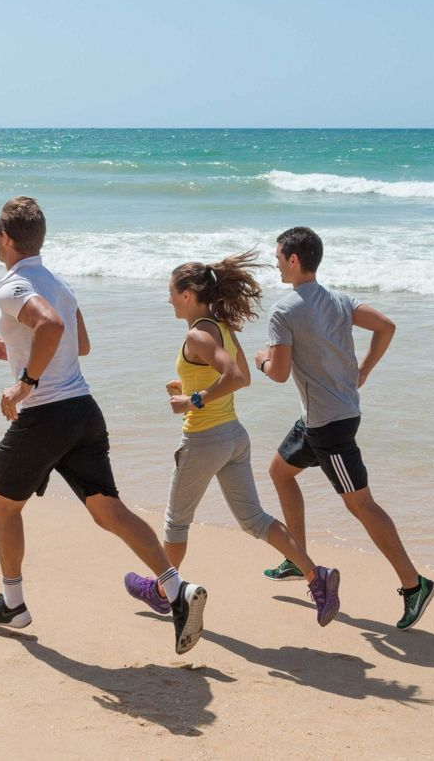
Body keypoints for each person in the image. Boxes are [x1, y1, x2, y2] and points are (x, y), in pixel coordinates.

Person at [0, 196, 208, 654]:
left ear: (5, 237)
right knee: (108, 511)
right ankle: (177, 589)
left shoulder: (13, 285)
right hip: (83, 411)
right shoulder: (59, 283)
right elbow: (79, 344)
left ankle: (12, 604)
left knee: (3, 506)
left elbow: (52, 327)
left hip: (45, 416)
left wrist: (24, 383)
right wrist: (14, 349)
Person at [122, 252, 340, 627]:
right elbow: (242, 377)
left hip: (203, 440)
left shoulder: (197, 334)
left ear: (188, 294)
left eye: (171, 293)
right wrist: (190, 388)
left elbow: (237, 377)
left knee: (175, 523)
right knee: (255, 520)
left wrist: (192, 400)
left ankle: (161, 592)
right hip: (234, 437)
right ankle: (315, 575)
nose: (169, 300)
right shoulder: (220, 326)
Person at [252, 227, 434, 630]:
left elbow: (278, 374)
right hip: (326, 415)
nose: (276, 263)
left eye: (278, 257)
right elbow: (386, 326)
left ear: (294, 259)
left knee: (361, 505)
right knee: (280, 472)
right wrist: (363, 370)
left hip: (329, 427)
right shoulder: (340, 300)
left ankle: (414, 584)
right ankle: (297, 559)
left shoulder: (284, 311)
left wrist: (261, 359)